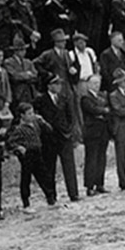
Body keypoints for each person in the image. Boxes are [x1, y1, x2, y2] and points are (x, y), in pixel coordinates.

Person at [35, 74, 79, 202]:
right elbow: (36, 116)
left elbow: (71, 116)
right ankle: (51, 195)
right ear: (49, 86)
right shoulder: (41, 100)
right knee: (50, 167)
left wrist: (69, 131)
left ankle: (73, 193)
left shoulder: (64, 98)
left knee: (69, 166)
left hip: (64, 136)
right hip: (49, 138)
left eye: (59, 83)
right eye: (56, 84)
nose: (59, 86)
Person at [7, 101, 53, 209]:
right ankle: (26, 201)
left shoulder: (36, 124)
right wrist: (18, 148)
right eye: (29, 113)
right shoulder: (19, 128)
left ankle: (50, 197)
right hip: (27, 154)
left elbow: (49, 130)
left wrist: (43, 121)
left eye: (32, 113)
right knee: (26, 177)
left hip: (37, 151)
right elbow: (10, 142)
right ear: (22, 115)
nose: (32, 115)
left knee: (43, 175)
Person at [80, 73, 112, 196]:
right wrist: (103, 110)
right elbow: (93, 110)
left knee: (101, 158)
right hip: (92, 132)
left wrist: (102, 111)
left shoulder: (102, 96)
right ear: (88, 85)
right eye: (94, 83)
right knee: (91, 159)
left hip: (103, 130)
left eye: (98, 83)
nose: (96, 86)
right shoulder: (85, 98)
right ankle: (89, 186)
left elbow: (108, 109)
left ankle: (100, 184)